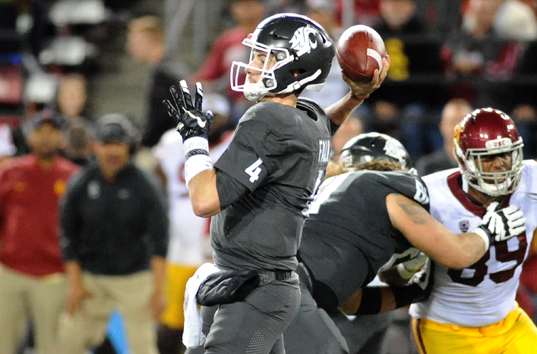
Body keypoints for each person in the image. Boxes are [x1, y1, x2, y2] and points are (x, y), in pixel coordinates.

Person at [165, 13, 389, 354]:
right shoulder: (307, 117)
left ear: (295, 70)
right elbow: (324, 126)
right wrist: (356, 97)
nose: (251, 65)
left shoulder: (267, 118)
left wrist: (194, 139)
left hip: (253, 289)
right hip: (265, 284)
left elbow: (205, 200)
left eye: (262, 57)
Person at [282, 132, 527, 354]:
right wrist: (488, 232)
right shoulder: (389, 192)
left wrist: (414, 291)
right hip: (288, 290)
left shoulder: (327, 190)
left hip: (269, 284)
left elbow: (351, 301)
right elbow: (458, 255)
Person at [407, 107, 537, 354]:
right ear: (463, 159)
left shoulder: (531, 180)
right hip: (447, 326)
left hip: (507, 321)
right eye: (488, 157)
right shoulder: (433, 196)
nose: (500, 164)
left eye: (506, 154)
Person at [57, 114, 169, 354]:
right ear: (95, 145)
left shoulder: (145, 185)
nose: (113, 151)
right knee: (67, 342)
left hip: (134, 277)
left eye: (118, 144)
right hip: (91, 278)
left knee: (143, 347)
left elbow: (160, 239)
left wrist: (158, 289)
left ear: (128, 147)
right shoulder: (80, 183)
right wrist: (74, 284)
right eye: (107, 144)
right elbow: (68, 236)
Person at [0, 111, 79, 354]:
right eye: (40, 132)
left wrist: (77, 278)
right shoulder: (9, 172)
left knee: (53, 348)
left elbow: (82, 230)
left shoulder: (73, 178)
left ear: (62, 138)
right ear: (29, 137)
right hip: (11, 272)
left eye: (52, 132)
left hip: (54, 276)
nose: (46, 138)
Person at [153, 93, 234, 354]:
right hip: (178, 244)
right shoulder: (170, 140)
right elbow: (158, 171)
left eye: (212, 117)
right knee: (173, 319)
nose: (207, 123)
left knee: (211, 322)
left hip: (213, 247)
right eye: (203, 116)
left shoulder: (235, 142)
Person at [127, 15, 188, 148]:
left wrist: (143, 142)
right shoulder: (169, 68)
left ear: (151, 39)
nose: (130, 47)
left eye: (135, 42)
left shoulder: (163, 73)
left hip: (168, 146)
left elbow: (161, 118)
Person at [416, 98, 473, 175]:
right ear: (442, 127)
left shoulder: (483, 165)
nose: (458, 129)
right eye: (453, 122)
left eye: (464, 123)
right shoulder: (427, 166)